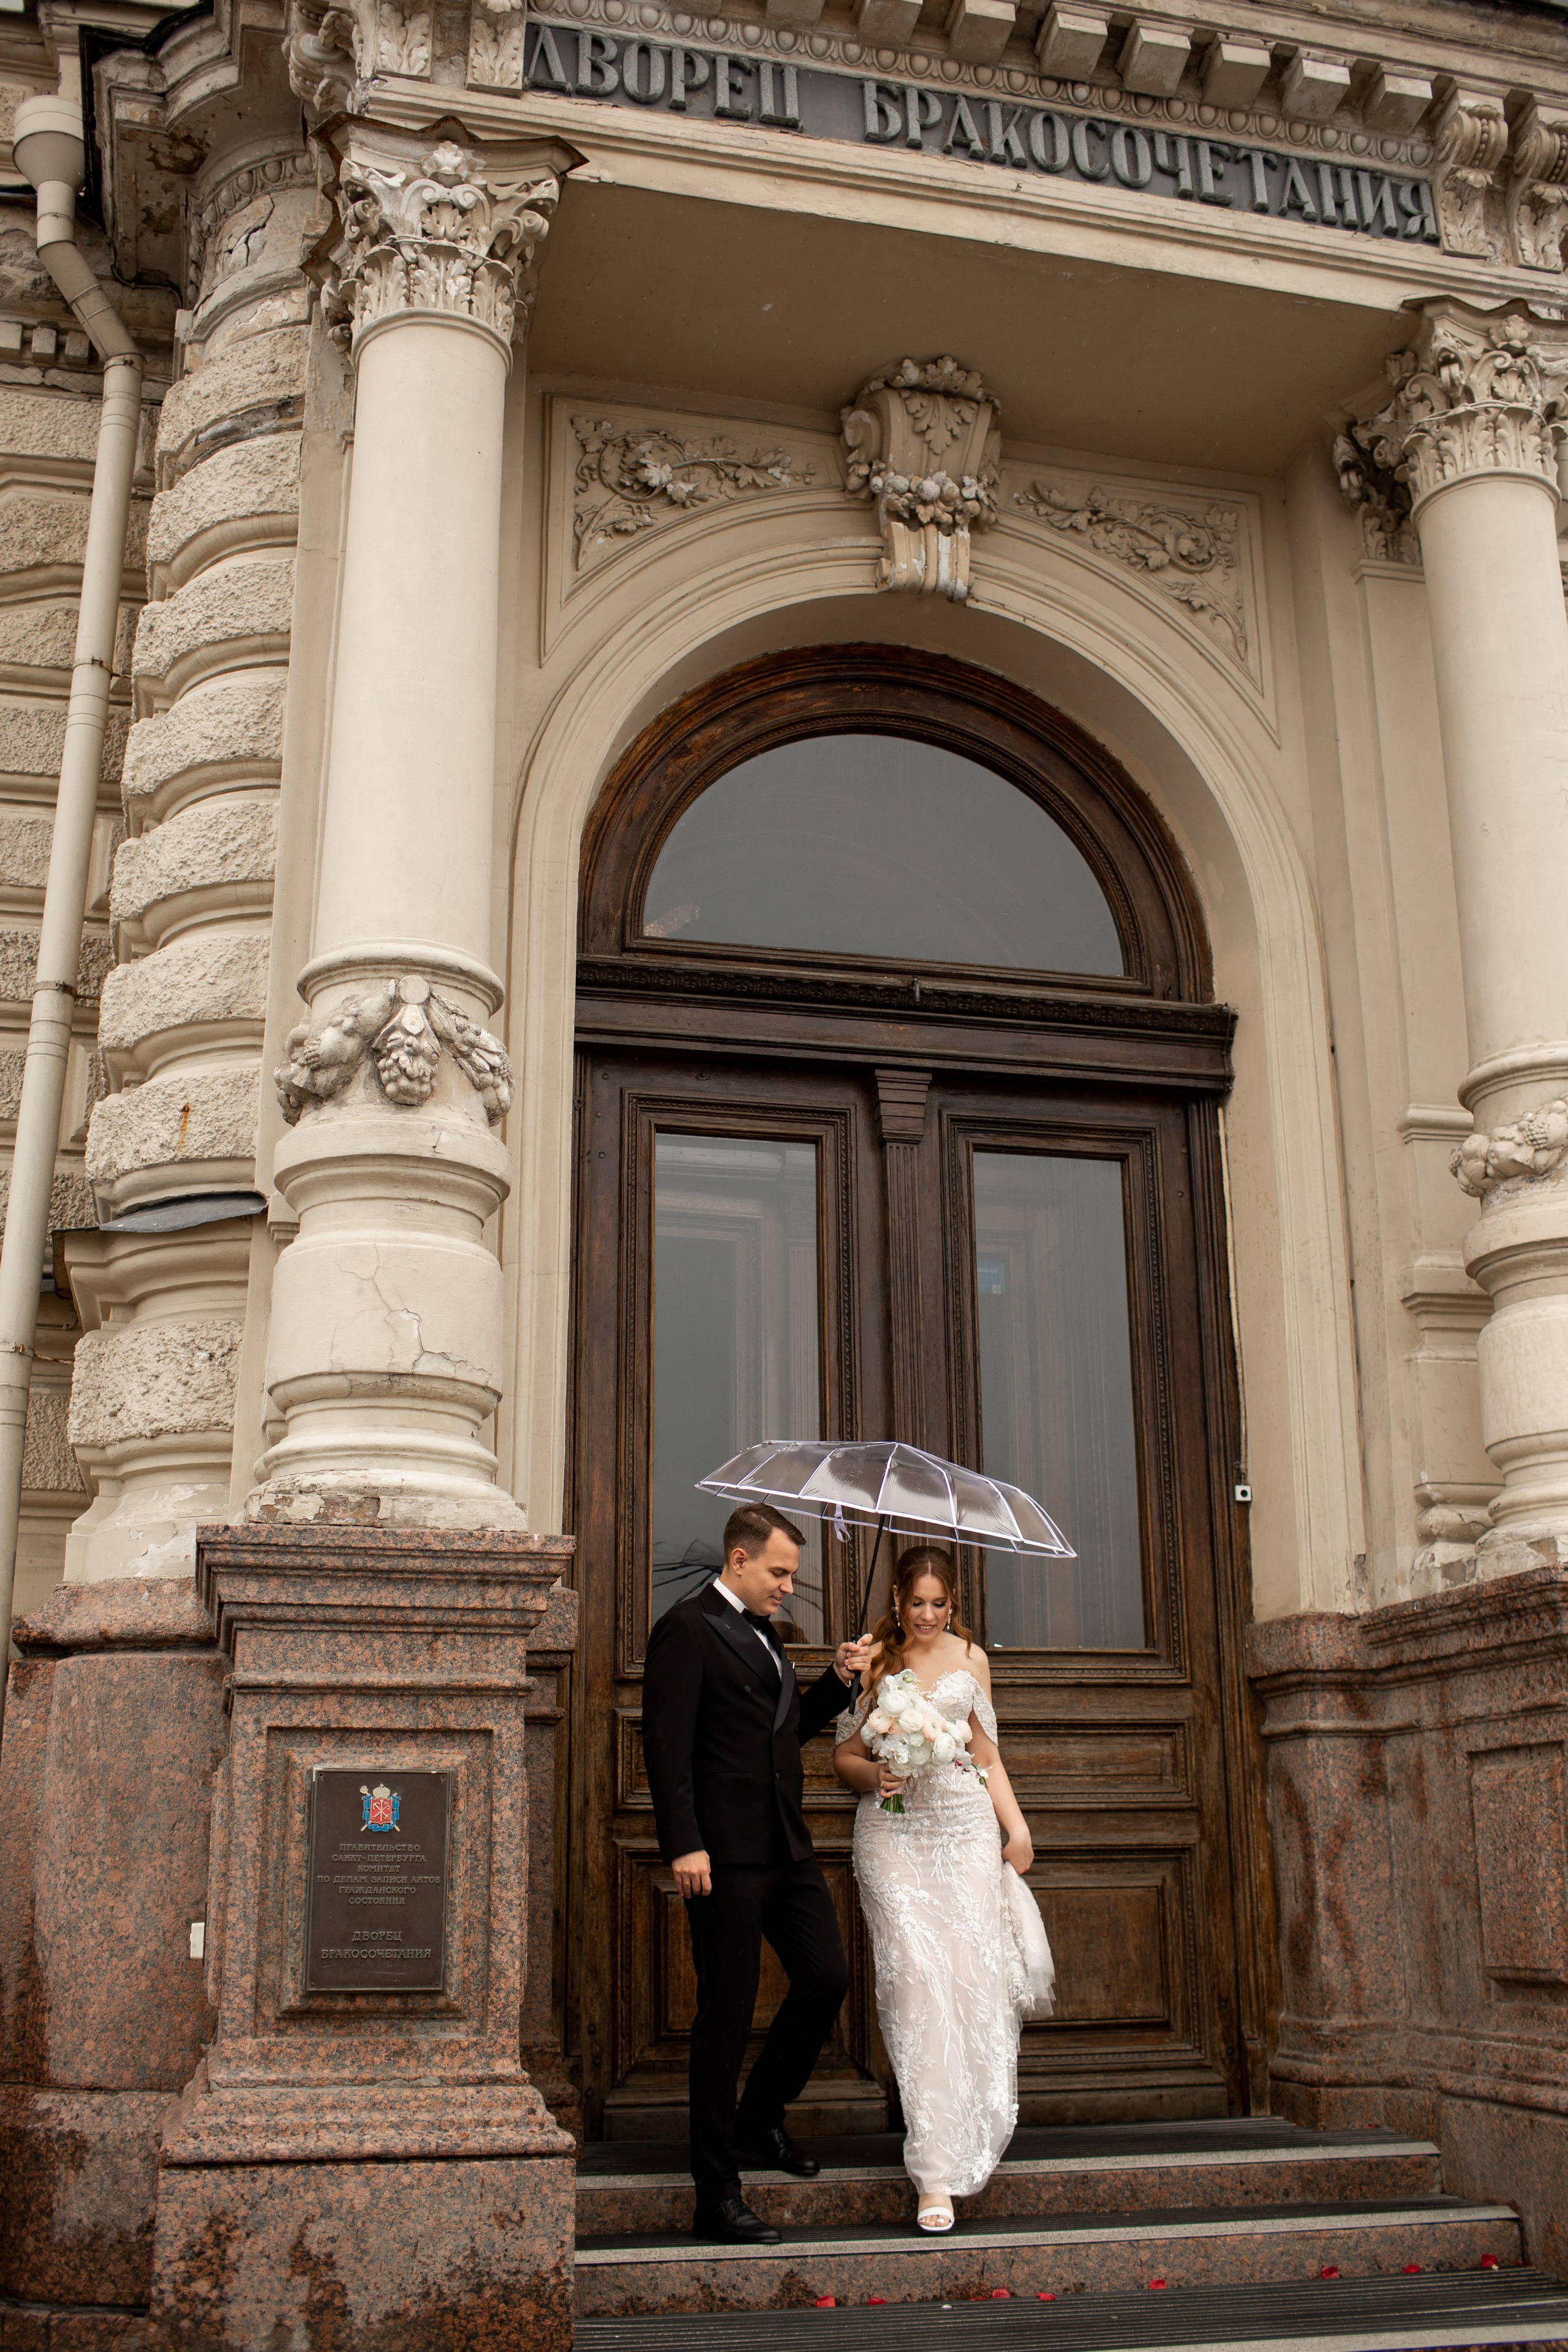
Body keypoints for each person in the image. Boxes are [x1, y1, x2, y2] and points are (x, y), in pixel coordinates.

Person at [641, 1501, 875, 2245]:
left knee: (825, 1979)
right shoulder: (685, 1630)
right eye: (779, 1572)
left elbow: (787, 1735)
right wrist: (684, 1843)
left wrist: (837, 1681)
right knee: (726, 2016)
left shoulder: (766, 1634)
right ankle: (716, 2191)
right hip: (722, 1856)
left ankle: (758, 2117)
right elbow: (666, 1748)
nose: (787, 1587)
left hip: (786, 1848)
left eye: (791, 1574)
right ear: (738, 1560)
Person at [834, 1544, 1044, 2234]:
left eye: (939, 1604)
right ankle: (931, 2174)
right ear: (896, 1600)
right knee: (915, 1985)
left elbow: (986, 1757)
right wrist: (877, 1775)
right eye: (915, 1603)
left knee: (967, 1979)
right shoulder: (873, 1659)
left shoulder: (971, 1659)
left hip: (959, 1831)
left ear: (953, 1605)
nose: (927, 1615)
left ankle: (965, 2136)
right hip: (893, 1838)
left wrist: (1014, 1829)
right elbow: (845, 1757)